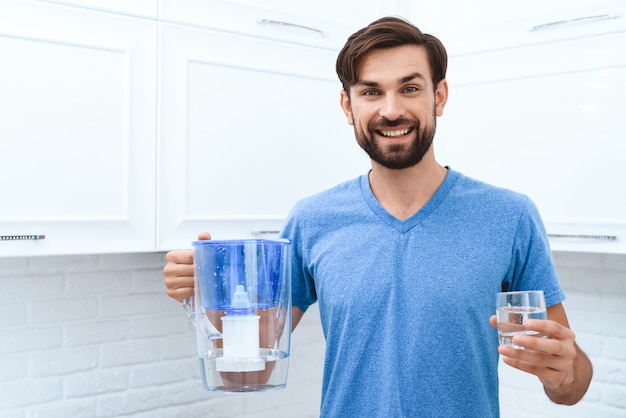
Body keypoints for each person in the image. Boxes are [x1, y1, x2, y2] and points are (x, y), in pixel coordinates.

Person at [163, 16, 593, 417]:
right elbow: (250, 373)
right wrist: (206, 302)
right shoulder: (312, 220)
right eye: (371, 92)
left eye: (409, 89)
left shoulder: (509, 216)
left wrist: (565, 371)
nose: (391, 110)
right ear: (347, 107)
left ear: (438, 96)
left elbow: (571, 388)